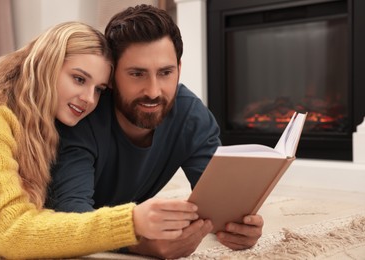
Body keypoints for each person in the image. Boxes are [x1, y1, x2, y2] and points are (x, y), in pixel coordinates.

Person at [48, 5, 264, 259]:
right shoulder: (81, 116)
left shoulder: (192, 117)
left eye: (165, 73)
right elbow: (70, 216)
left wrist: (238, 226)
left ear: (179, 70)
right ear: (113, 75)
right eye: (137, 74)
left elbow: (218, 203)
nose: (153, 91)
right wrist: (137, 244)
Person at [0, 21, 199, 259]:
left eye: (99, 89)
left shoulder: (39, 123)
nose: (89, 99)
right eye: (79, 79)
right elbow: (10, 233)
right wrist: (129, 223)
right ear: (47, 64)